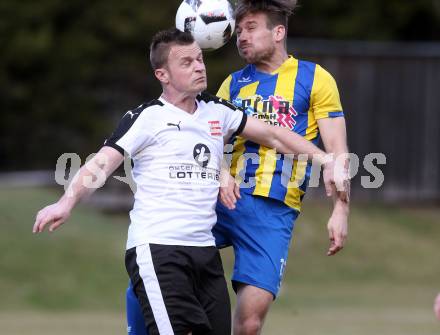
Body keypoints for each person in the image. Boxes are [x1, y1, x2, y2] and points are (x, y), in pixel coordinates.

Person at [33, 28, 347, 335]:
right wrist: (66, 201)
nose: (199, 67)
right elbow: (100, 163)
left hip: (204, 255)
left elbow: (274, 134)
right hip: (160, 250)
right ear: (163, 76)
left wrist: (327, 161)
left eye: (199, 59)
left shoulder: (217, 110)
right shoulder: (146, 118)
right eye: (186, 63)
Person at [211, 1, 351, 334]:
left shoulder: (314, 78)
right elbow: (207, 141)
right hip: (220, 202)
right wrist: (220, 173)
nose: (241, 37)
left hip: (273, 212)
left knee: (249, 323)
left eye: (251, 28)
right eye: (239, 30)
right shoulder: (231, 85)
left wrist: (341, 210)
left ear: (278, 32)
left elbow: (338, 153)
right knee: (168, 270)